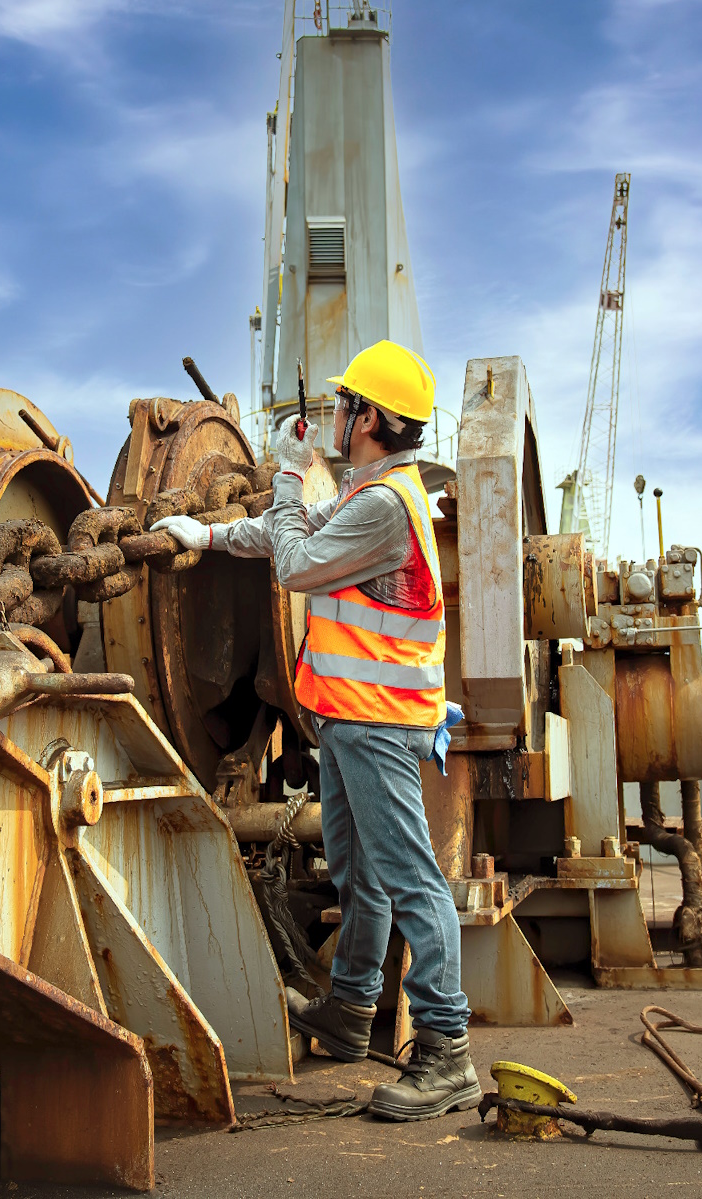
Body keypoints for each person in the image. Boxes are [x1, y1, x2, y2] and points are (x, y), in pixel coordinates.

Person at [151, 339, 477, 1122]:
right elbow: (285, 536)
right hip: (350, 722)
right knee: (359, 870)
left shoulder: (383, 505)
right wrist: (209, 537)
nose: (331, 414)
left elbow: (297, 564)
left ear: (369, 418)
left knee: (408, 877)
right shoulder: (374, 492)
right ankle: (353, 1009)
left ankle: (446, 1051)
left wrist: (291, 473)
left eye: (343, 402)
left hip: (377, 723)